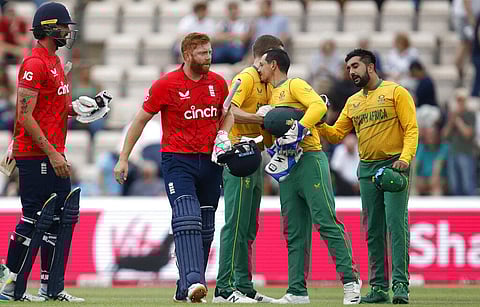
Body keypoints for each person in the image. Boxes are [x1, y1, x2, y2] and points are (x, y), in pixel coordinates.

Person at [0, 1, 111, 302]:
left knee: (61, 218)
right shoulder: (34, 64)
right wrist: (52, 153)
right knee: (34, 218)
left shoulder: (56, 63)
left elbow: (55, 108)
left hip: (52, 151)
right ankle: (10, 284)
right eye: (62, 26)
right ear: (49, 28)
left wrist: (79, 109)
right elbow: (24, 115)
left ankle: (52, 287)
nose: (66, 31)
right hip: (36, 154)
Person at [113, 32, 234, 304]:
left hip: (210, 161)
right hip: (178, 161)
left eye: (210, 52)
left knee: (205, 226)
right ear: (187, 55)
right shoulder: (166, 84)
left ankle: (185, 288)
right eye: (203, 53)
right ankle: (194, 281)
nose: (209, 57)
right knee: (186, 216)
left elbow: (227, 115)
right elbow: (140, 120)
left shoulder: (217, 83)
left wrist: (224, 135)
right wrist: (123, 157)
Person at [257, 48, 361, 305]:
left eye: (261, 64)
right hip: (286, 165)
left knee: (325, 221)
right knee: (293, 230)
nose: (258, 69)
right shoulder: (271, 95)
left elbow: (318, 106)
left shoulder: (295, 84)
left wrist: (300, 128)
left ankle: (351, 281)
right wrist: (264, 124)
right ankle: (297, 291)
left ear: (273, 64)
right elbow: (271, 138)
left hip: (310, 159)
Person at [318, 48, 418, 304]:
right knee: (372, 230)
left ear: (370, 67)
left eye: (355, 66)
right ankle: (379, 288)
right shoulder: (353, 102)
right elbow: (336, 135)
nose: (351, 72)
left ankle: (400, 285)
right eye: (348, 68)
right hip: (367, 169)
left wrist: (404, 159)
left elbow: (411, 129)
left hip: (394, 166)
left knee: (396, 226)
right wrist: (317, 122)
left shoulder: (396, 92)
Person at [212, 34, 283, 304]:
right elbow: (228, 109)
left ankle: (243, 284)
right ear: (267, 56)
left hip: (256, 155)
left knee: (249, 225)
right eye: (277, 58)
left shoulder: (266, 82)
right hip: (238, 155)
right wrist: (260, 118)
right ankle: (224, 288)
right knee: (236, 223)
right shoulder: (247, 78)